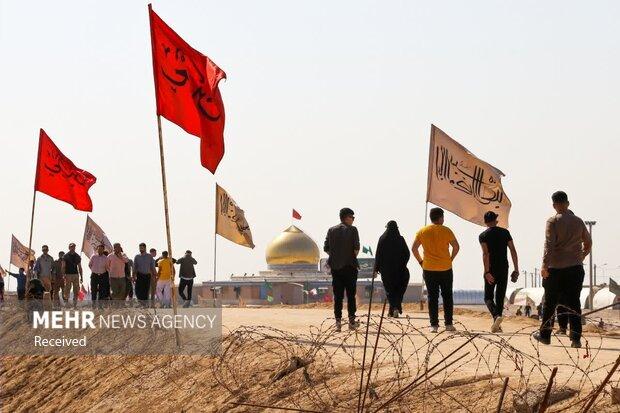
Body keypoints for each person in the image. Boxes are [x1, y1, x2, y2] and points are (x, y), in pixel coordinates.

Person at [533, 191, 591, 348]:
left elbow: (549, 245)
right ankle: (576, 339)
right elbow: (588, 242)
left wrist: (545, 266)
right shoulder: (578, 221)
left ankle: (545, 335)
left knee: (550, 303)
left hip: (556, 269)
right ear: (568, 203)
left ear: (554, 205)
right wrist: (581, 257)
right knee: (574, 303)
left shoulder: (553, 221)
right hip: (575, 268)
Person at [412, 207, 460, 333]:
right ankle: (448, 324)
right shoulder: (447, 231)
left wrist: (421, 262)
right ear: (440, 218)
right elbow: (456, 247)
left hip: (428, 268)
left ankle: (434, 325)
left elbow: (414, 248)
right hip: (445, 268)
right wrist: (451, 259)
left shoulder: (422, 231)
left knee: (432, 297)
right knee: (447, 296)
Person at [479, 211, 520, 333]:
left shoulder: (483, 236)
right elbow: (513, 250)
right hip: (504, 268)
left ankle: (496, 317)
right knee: (500, 296)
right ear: (496, 221)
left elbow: (486, 254)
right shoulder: (505, 232)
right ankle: (497, 323)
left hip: (491, 268)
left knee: (488, 297)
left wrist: (487, 272)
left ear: (485, 222)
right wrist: (516, 269)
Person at [324, 207, 360, 331]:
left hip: (336, 268)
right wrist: (348, 256)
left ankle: (338, 322)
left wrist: (336, 257)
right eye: (352, 217)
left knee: (338, 296)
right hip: (350, 267)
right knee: (351, 296)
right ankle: (351, 321)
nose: (353, 220)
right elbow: (356, 249)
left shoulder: (331, 230)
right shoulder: (353, 230)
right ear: (346, 217)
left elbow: (326, 248)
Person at [373, 221, 410, 318]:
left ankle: (393, 308)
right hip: (400, 271)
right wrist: (402, 264)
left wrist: (376, 269)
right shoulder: (401, 239)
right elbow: (407, 254)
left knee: (390, 291)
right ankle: (395, 307)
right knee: (398, 290)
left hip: (386, 271)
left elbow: (378, 255)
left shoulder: (383, 239)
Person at [63, 243, 83, 308]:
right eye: (71, 247)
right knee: (67, 289)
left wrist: (81, 276)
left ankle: (75, 304)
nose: (72, 248)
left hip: (75, 274)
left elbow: (80, 267)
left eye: (74, 247)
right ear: (69, 247)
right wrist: (63, 275)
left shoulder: (77, 256)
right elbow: (63, 266)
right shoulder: (65, 256)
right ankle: (66, 303)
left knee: (76, 290)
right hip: (68, 274)